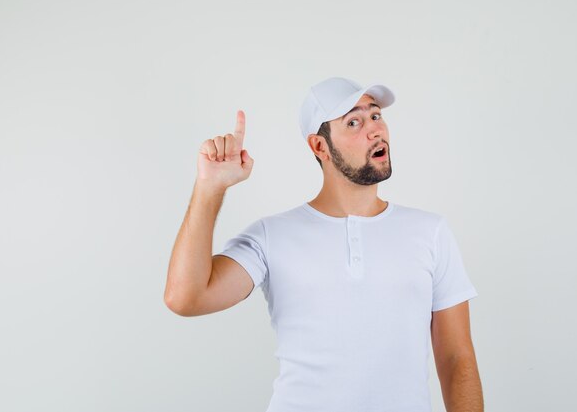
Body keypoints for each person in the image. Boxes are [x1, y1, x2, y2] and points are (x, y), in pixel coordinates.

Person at [165, 76, 484, 412]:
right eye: (354, 122)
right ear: (319, 147)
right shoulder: (271, 236)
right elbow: (185, 297)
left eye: (375, 116)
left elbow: (456, 359)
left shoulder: (430, 231)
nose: (375, 130)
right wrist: (210, 188)